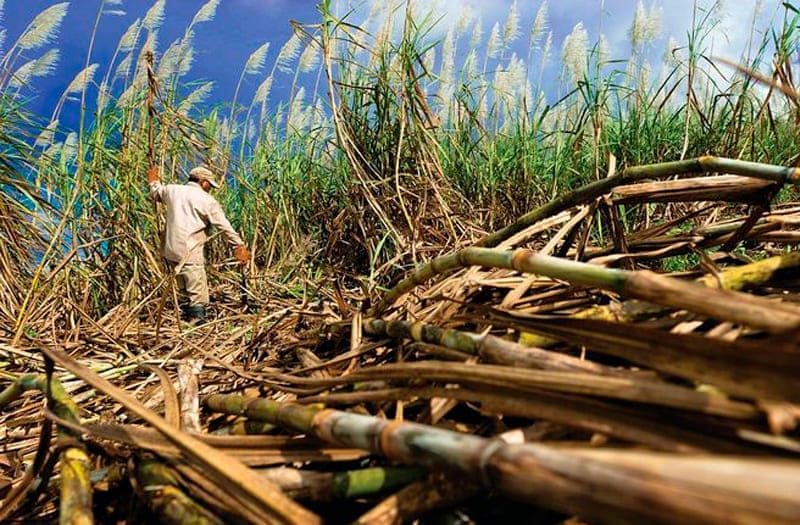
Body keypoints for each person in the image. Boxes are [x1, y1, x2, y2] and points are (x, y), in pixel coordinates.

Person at [148, 165, 250, 322]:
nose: (211, 189)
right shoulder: (207, 200)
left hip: (170, 251)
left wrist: (153, 180)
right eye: (210, 185)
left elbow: (156, 192)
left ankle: (184, 320)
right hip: (190, 252)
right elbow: (224, 226)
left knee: (183, 289)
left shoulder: (171, 190)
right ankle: (197, 326)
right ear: (203, 182)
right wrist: (238, 245)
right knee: (197, 295)